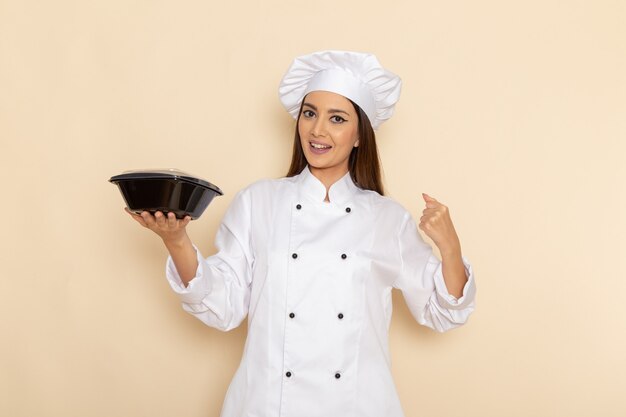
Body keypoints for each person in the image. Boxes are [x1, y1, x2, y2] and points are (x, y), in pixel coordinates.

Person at [126, 50, 476, 417]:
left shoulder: (386, 218)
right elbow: (223, 307)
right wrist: (176, 240)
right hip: (266, 405)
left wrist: (450, 248)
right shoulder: (257, 202)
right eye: (309, 113)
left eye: (336, 118)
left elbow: (443, 312)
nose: (317, 130)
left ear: (360, 136)